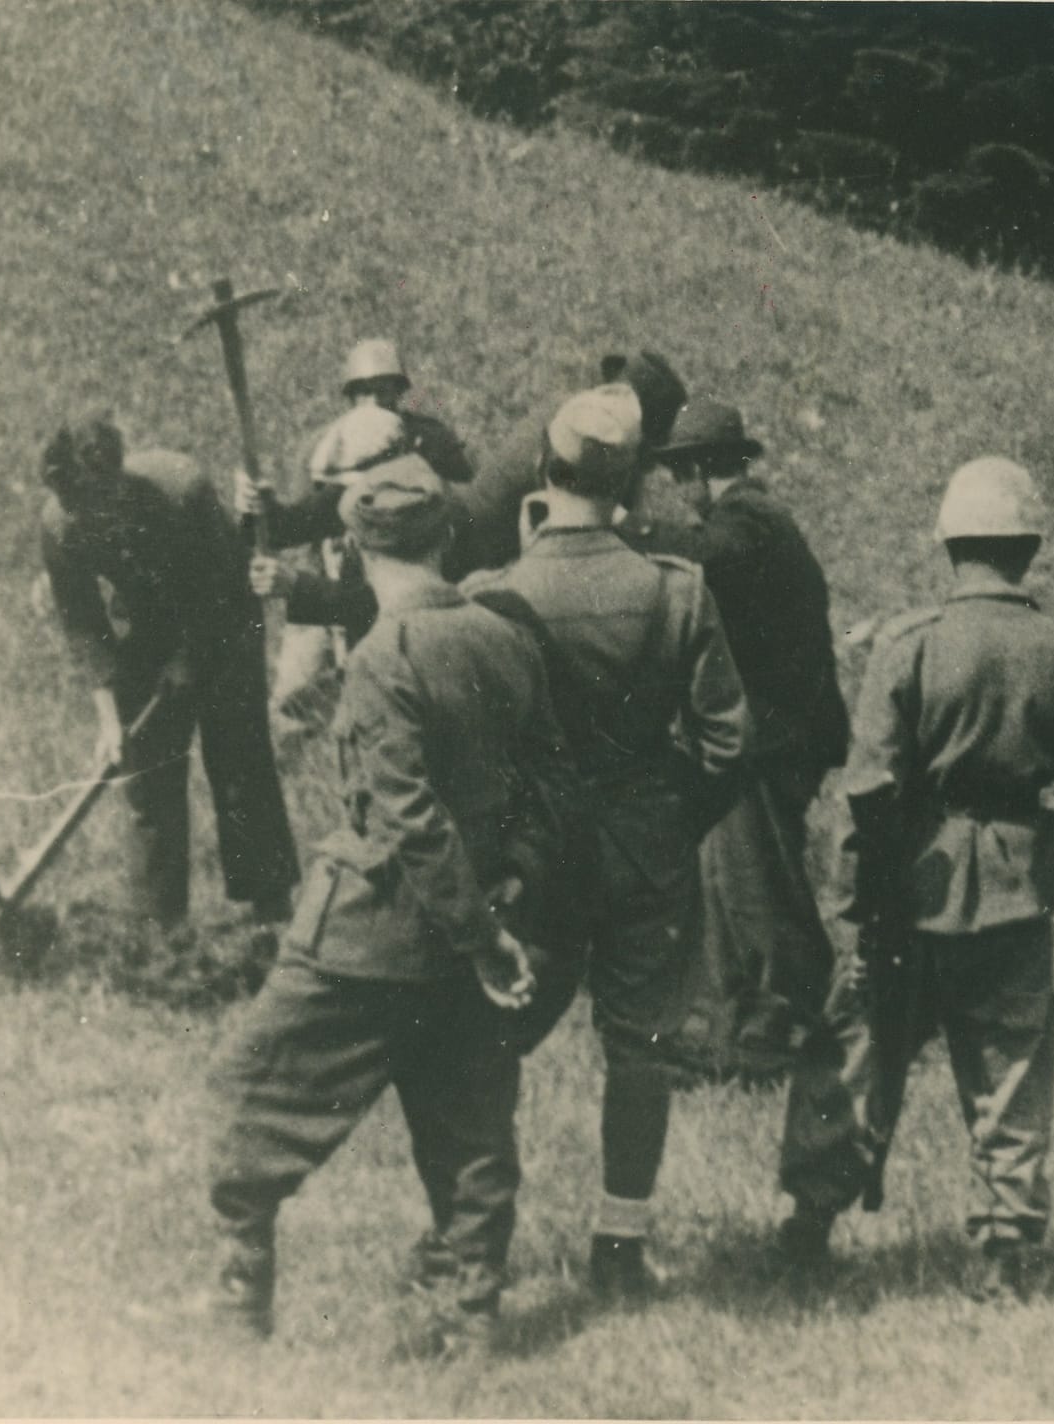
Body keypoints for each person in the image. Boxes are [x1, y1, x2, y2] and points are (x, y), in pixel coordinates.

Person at [203, 454, 568, 1353]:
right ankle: (473, 1316)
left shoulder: (380, 657)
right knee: (472, 1128)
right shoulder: (505, 637)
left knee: (249, 1087)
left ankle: (239, 1303)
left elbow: (407, 814)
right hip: (477, 928)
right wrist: (509, 890)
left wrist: (478, 935)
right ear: (445, 539)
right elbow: (551, 786)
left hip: (371, 934)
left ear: (357, 549)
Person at [775, 457, 1054, 1299]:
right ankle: (1006, 1250)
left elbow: (868, 787)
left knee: (858, 1052)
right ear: (1030, 548)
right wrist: (1044, 868)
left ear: (949, 545)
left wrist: (863, 895)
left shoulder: (910, 645)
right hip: (1016, 894)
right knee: (1011, 1068)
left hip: (906, 888)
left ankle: (808, 1223)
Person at [462, 384, 749, 1300]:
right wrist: (669, 821)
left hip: (534, 855)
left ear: (544, 468)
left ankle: (473, 1235)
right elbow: (728, 743)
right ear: (630, 485)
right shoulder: (673, 589)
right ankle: (620, 1248)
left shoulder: (494, 595)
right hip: (644, 850)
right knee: (640, 1045)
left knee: (492, 1034)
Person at [620, 399, 851, 1077]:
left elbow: (704, 555)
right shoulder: (757, 521)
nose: (677, 490)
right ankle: (744, 1030)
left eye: (679, 475)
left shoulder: (751, 522)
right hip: (771, 739)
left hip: (774, 745)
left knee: (760, 890)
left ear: (698, 470)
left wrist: (623, 527)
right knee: (736, 885)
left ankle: (786, 1032)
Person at [37, 414, 298, 930]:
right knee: (145, 768)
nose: (85, 516)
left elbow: (224, 587)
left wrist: (188, 661)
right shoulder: (60, 524)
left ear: (116, 477)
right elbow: (83, 623)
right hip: (149, 625)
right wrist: (109, 718)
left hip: (225, 620)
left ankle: (271, 910)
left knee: (238, 759)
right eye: (74, 505)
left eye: (95, 502)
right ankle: (159, 926)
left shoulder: (181, 490)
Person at [240, 341, 474, 729]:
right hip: (342, 578)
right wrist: (258, 510)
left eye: (384, 390)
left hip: (420, 581)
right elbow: (297, 524)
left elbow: (466, 505)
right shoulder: (338, 447)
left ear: (400, 391)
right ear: (349, 397)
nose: (375, 401)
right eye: (364, 392)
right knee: (291, 704)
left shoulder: (432, 443)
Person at [452, 350, 687, 576]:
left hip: (477, 530)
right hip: (476, 552)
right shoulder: (594, 442)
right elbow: (600, 535)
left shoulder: (578, 415)